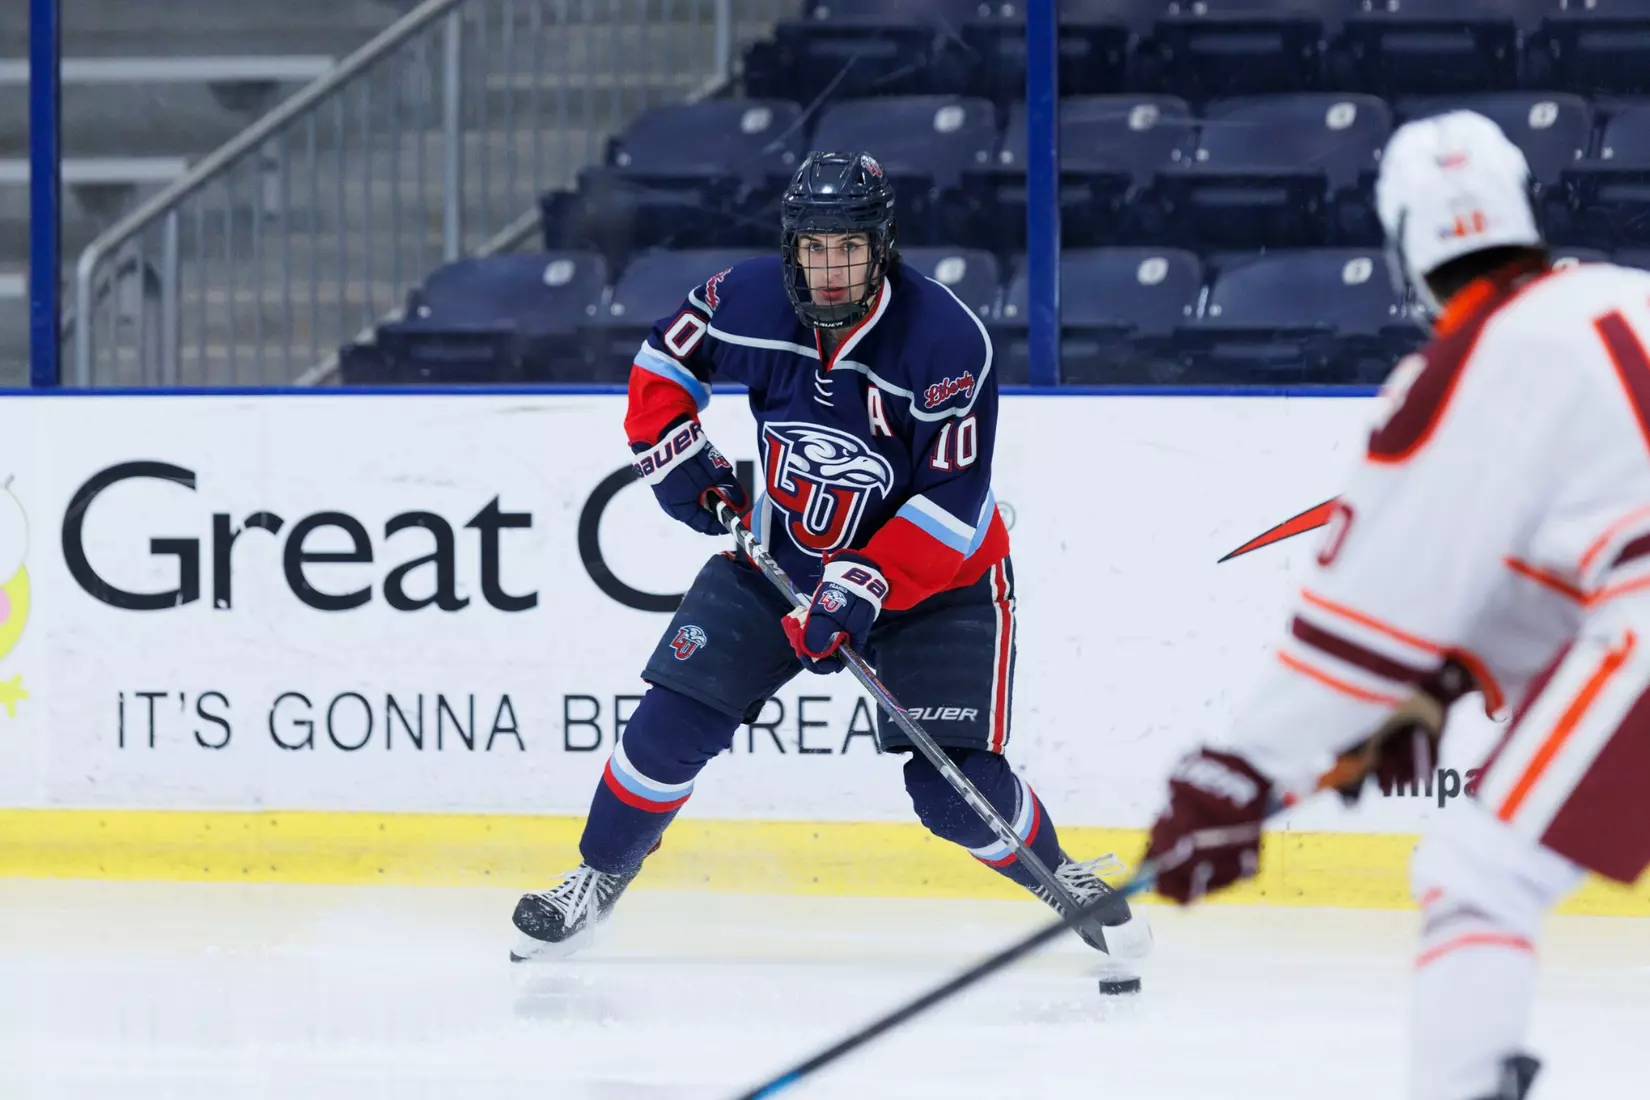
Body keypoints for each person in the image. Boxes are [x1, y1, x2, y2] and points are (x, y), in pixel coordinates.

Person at [510, 150, 1152, 977]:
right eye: (814, 247)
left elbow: (952, 499)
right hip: (782, 557)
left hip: (940, 586)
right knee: (668, 727)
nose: (830, 265)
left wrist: (862, 585)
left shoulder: (947, 341)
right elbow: (659, 367)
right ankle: (597, 878)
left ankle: (1061, 875)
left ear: (881, 247)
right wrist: (677, 457)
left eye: (849, 247)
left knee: (951, 788)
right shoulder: (741, 298)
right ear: (791, 248)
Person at [1141, 109, 1650, 1100]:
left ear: (1406, 246)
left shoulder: (1467, 364)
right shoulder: (1622, 298)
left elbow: (1364, 615)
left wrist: (1237, 774)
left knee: (1478, 872)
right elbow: (1576, 553)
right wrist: (1444, 683)